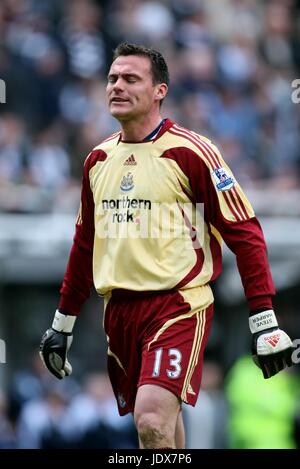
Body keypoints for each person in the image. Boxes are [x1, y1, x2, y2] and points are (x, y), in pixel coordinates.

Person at [39, 42, 294, 449]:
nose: (116, 87)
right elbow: (85, 244)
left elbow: (245, 232)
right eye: (112, 79)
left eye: (130, 79)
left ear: (160, 91)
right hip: (118, 311)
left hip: (177, 306)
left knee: (151, 419)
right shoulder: (98, 160)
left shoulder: (191, 151)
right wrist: (61, 324)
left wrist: (264, 318)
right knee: (160, 430)